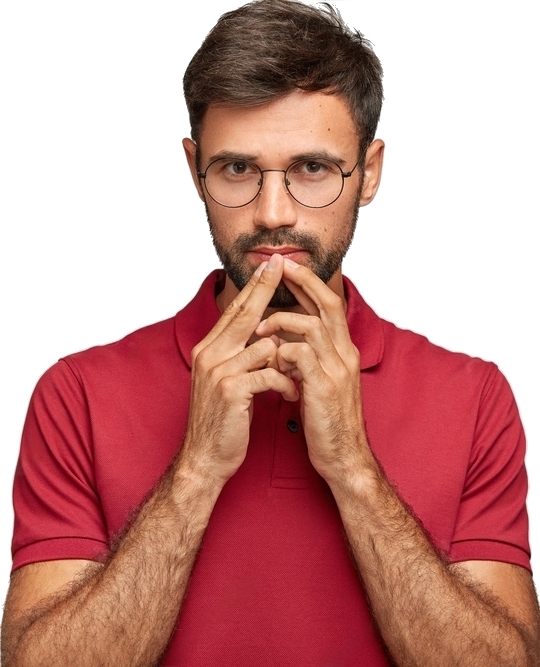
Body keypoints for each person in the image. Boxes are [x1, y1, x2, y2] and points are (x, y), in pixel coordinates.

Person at [1, 0, 539, 664]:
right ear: (194, 170)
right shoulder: (76, 394)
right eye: (238, 169)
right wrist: (195, 470)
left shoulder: (474, 396)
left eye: (313, 168)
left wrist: (353, 469)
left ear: (369, 172)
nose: (273, 213)